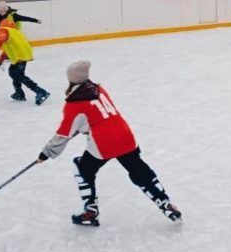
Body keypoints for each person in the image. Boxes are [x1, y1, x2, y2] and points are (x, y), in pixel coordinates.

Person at [36, 60, 181, 226]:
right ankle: (166, 204)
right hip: (125, 136)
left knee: (83, 169)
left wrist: (45, 154)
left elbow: (63, 133)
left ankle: (90, 212)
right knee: (139, 171)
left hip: (104, 144)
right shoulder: (99, 89)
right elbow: (98, 115)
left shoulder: (74, 104)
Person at [0, 18, 50, 104]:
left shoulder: (4, 31)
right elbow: (8, 50)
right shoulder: (15, 32)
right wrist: (0, 60)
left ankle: (40, 91)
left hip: (19, 56)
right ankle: (19, 93)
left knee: (17, 75)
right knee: (13, 72)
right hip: (23, 55)